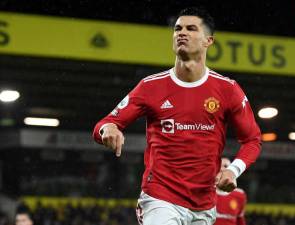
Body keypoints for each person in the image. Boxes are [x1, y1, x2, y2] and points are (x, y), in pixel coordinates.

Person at [93, 6, 261, 225]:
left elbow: (252, 140)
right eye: (177, 29)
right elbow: (104, 124)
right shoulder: (150, 86)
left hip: (204, 205)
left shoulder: (227, 89)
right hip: (160, 199)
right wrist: (109, 129)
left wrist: (233, 170)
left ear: (208, 40)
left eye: (191, 28)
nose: (181, 33)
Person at [215, 158, 247, 225]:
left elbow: (240, 219)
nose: (222, 169)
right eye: (219, 166)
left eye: (226, 166)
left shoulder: (239, 195)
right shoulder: (206, 191)